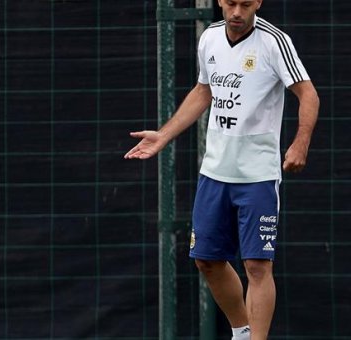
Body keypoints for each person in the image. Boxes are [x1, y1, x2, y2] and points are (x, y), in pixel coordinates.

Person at [124, 0, 319, 339]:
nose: (237, 11)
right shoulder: (210, 38)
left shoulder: (274, 41)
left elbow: (309, 94)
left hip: (258, 176)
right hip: (214, 172)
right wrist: (165, 135)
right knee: (207, 260)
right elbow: (204, 90)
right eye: (231, 3)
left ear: (258, 2)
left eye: (245, 3)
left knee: (257, 265)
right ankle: (242, 332)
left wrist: (300, 143)